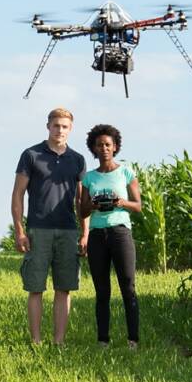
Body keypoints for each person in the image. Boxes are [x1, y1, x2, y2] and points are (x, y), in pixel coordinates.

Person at [11, 108, 88, 345]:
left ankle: (59, 341)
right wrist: (20, 231)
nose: (60, 130)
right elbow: (18, 194)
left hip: (67, 230)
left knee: (64, 288)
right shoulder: (31, 155)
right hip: (38, 230)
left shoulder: (77, 159)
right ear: (48, 127)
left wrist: (85, 233)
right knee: (36, 288)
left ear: (70, 129)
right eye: (56, 126)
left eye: (64, 126)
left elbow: (81, 201)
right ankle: (36, 340)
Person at [78, 124, 142, 349]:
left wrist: (120, 202)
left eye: (107, 144)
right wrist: (93, 205)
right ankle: (103, 340)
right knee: (102, 290)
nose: (103, 148)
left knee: (128, 286)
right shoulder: (89, 178)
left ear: (115, 147)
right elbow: (82, 211)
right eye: (99, 145)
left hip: (120, 233)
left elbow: (138, 206)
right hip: (97, 236)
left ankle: (133, 339)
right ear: (93, 149)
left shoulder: (126, 172)